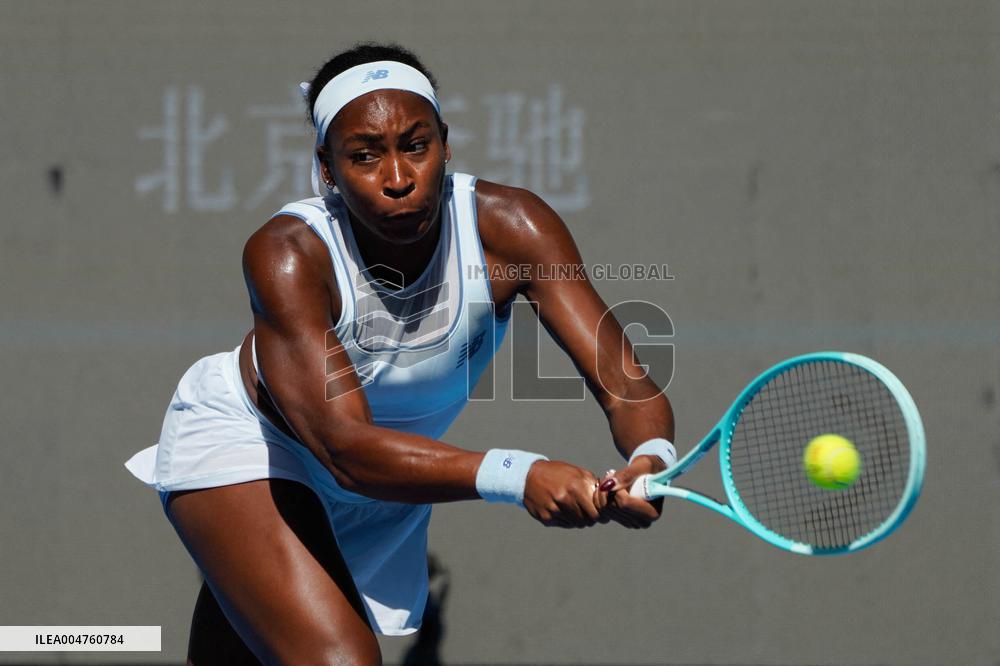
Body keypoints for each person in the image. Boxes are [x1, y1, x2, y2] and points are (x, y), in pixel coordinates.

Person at [125, 42, 676, 665]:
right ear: (327, 171)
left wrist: (649, 460)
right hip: (256, 451)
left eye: (416, 146)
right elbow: (346, 448)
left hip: (384, 481)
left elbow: (628, 386)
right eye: (364, 156)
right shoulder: (288, 254)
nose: (397, 178)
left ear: (445, 142)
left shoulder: (513, 227)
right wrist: (518, 473)